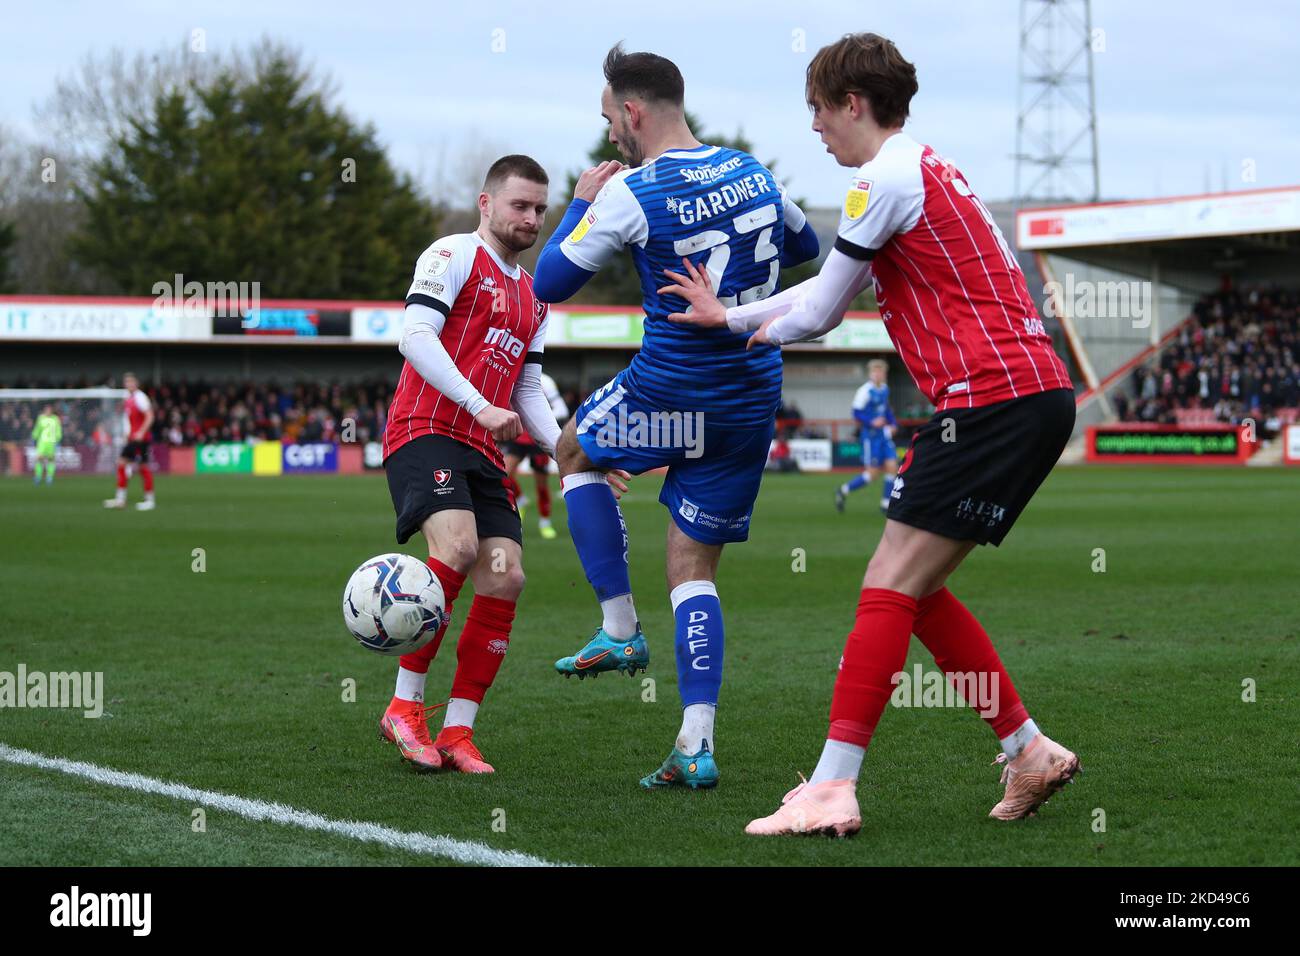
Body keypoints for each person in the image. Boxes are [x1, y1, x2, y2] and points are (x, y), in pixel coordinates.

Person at [661, 33, 1078, 834]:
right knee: (915, 593)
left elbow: (819, 313)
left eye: (818, 109)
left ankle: (830, 787)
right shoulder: (923, 168)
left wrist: (742, 331)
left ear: (853, 103)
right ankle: (1026, 749)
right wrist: (730, 314)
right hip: (1031, 394)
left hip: (988, 400)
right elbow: (826, 284)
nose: (814, 127)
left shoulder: (878, 179)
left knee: (887, 584)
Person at [533, 43, 820, 790]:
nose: (608, 138)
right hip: (750, 400)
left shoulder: (631, 191)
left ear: (632, 112)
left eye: (608, 120)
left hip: (670, 393)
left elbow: (551, 282)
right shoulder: (750, 169)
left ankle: (621, 630)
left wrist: (582, 205)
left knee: (573, 452)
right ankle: (695, 745)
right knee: (693, 573)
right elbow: (805, 244)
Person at [378, 154, 627, 774]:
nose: (531, 218)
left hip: (482, 446)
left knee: (506, 574)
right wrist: (476, 403)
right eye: (520, 205)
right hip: (425, 427)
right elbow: (414, 337)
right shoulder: (450, 254)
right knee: (458, 547)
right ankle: (404, 707)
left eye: (541, 210)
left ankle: (458, 730)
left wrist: (574, 453)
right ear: (486, 204)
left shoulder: (534, 295)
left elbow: (528, 389)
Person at [500, 371, 570, 539]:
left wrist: (534, 418)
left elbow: (562, 409)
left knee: (541, 484)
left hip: (537, 438)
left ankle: (545, 522)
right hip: (517, 435)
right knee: (502, 475)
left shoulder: (545, 381)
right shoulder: (508, 372)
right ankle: (521, 500)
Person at [835, 358, 898, 514]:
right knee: (872, 474)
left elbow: (886, 410)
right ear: (870, 374)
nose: (878, 374)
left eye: (881, 371)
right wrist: (872, 421)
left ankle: (885, 504)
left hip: (883, 435)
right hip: (870, 437)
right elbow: (856, 413)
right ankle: (843, 490)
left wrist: (893, 424)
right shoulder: (865, 391)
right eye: (875, 371)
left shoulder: (884, 389)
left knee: (893, 467)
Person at [103, 373, 156, 511]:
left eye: (131, 382)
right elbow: (130, 420)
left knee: (141, 466)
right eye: (127, 382)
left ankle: (148, 500)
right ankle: (121, 500)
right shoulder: (128, 398)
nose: (129, 384)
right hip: (133, 438)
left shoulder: (140, 397)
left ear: (136, 383)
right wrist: (127, 433)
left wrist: (141, 432)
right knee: (123, 464)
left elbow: (150, 416)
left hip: (140, 439)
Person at [31, 404, 62, 485]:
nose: (48, 411)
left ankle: (49, 477)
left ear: (51, 411)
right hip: (42, 442)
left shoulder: (55, 418)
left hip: (51, 442)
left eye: (49, 410)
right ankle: (38, 476)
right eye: (46, 410)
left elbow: (58, 429)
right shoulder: (41, 418)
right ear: (44, 410)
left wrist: (58, 439)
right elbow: (37, 428)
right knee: (39, 459)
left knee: (51, 459)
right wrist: (34, 436)